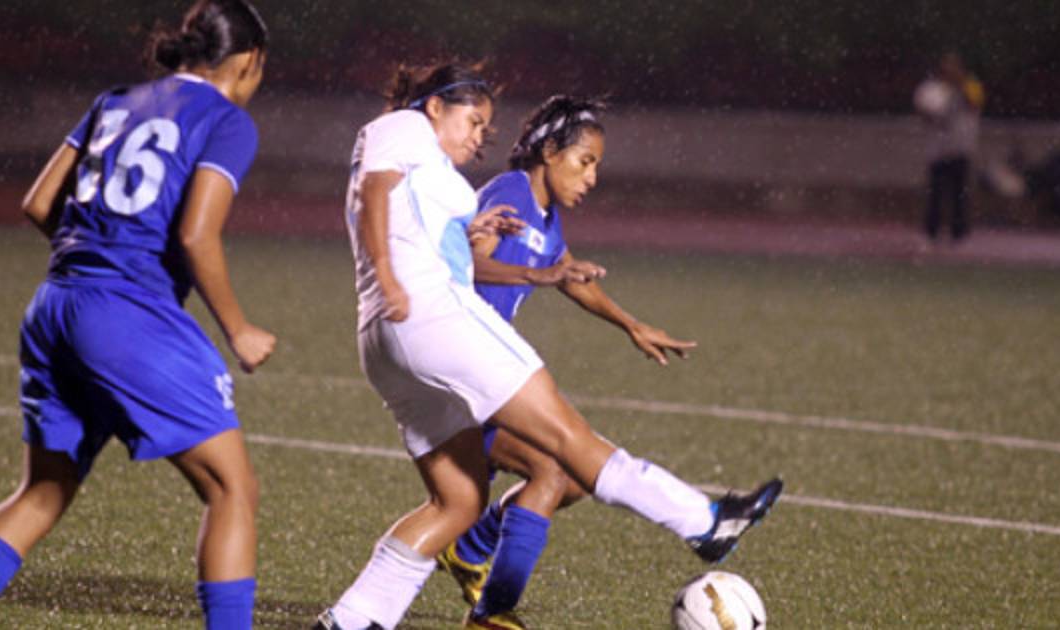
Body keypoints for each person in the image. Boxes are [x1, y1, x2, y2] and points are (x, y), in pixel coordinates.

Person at [312, 61, 782, 630]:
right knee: (568, 443)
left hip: (390, 339)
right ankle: (705, 523)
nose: (480, 137)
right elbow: (374, 193)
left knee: (458, 502)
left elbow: (412, 222)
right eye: (474, 121)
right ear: (434, 106)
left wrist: (463, 236)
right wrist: (391, 275)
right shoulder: (405, 127)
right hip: (435, 319)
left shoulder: (429, 168)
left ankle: (353, 621)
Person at [0, 2, 274, 628]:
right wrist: (239, 329)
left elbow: (39, 204)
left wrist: (94, 256)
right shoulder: (227, 120)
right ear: (248, 60)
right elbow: (197, 234)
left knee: (43, 491)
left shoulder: (114, 101)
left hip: (55, 306)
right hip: (128, 314)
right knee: (232, 489)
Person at [435, 95, 700, 627]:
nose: (592, 177)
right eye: (585, 162)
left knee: (575, 477)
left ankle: (467, 550)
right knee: (554, 469)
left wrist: (631, 324)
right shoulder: (510, 193)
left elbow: (568, 274)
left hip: (489, 372)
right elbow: (464, 266)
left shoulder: (546, 215)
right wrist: (539, 276)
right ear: (550, 151)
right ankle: (492, 613)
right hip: (461, 372)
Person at [913, 52, 985, 242]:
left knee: (960, 193)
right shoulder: (931, 89)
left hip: (961, 147)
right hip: (938, 150)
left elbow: (975, 103)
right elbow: (926, 112)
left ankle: (959, 233)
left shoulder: (971, 85)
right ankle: (932, 231)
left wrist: (960, 86)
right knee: (936, 193)